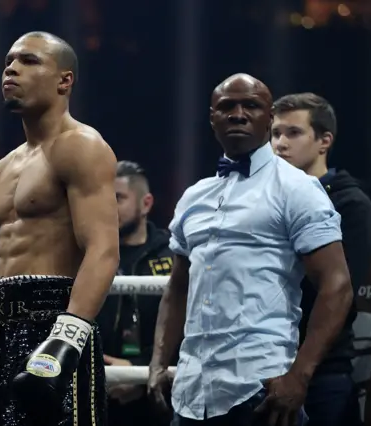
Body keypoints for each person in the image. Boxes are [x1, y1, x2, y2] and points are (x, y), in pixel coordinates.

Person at [147, 73, 353, 426]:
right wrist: (157, 364)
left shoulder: (297, 188)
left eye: (251, 106)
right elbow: (178, 286)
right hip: (191, 393)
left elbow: (338, 284)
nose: (238, 114)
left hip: (259, 387)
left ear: (268, 117)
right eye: (227, 106)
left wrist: (299, 376)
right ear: (213, 118)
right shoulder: (194, 197)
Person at [0, 32, 119, 426]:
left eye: (29, 60)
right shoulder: (4, 167)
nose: (11, 68)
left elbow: (103, 251)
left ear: (64, 80)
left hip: (54, 319)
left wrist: (65, 341)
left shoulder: (82, 146)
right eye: (8, 61)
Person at [271, 92, 371, 426]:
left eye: (293, 132)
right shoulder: (267, 200)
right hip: (264, 364)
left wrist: (303, 369)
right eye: (275, 134)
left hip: (320, 368)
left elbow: (339, 294)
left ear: (324, 141)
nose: (280, 144)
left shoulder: (352, 205)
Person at [96, 160, 174, 426]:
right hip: (97, 391)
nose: (108, 207)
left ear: (146, 204)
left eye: (118, 198)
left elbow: (188, 325)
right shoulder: (86, 256)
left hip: (158, 396)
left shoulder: (173, 257)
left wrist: (139, 370)